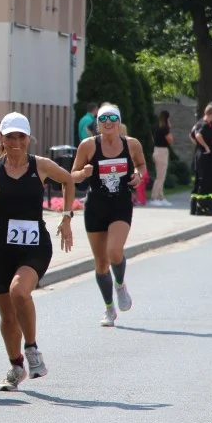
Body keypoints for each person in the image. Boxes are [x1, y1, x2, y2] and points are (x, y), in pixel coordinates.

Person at [0, 112, 82, 391]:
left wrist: (67, 218)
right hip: (1, 247)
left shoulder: (40, 166)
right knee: (7, 315)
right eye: (10, 136)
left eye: (21, 136)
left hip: (35, 245)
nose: (16, 142)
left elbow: (68, 181)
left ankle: (31, 349)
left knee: (20, 291)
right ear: (1, 138)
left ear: (29, 138)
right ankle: (16, 366)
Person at [72, 104, 148, 327]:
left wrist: (138, 176)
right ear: (98, 123)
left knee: (114, 252)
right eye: (103, 118)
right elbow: (73, 175)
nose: (108, 122)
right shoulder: (88, 146)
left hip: (121, 204)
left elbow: (142, 166)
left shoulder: (131, 144)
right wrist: (83, 173)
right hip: (96, 205)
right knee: (101, 262)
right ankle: (109, 309)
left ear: (119, 121)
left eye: (113, 117)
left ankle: (121, 284)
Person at [190, 105, 212, 216]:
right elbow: (198, 135)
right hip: (204, 156)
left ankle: (195, 207)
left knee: (201, 181)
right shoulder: (203, 124)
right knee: (204, 182)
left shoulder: (201, 123)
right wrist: (205, 146)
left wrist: (199, 146)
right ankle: (201, 207)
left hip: (202, 155)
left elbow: (192, 134)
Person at [150, 110, 173, 206]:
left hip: (157, 150)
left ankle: (160, 196)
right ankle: (154, 197)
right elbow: (170, 140)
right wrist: (170, 128)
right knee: (160, 176)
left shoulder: (156, 127)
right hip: (162, 151)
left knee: (161, 176)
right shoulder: (165, 129)